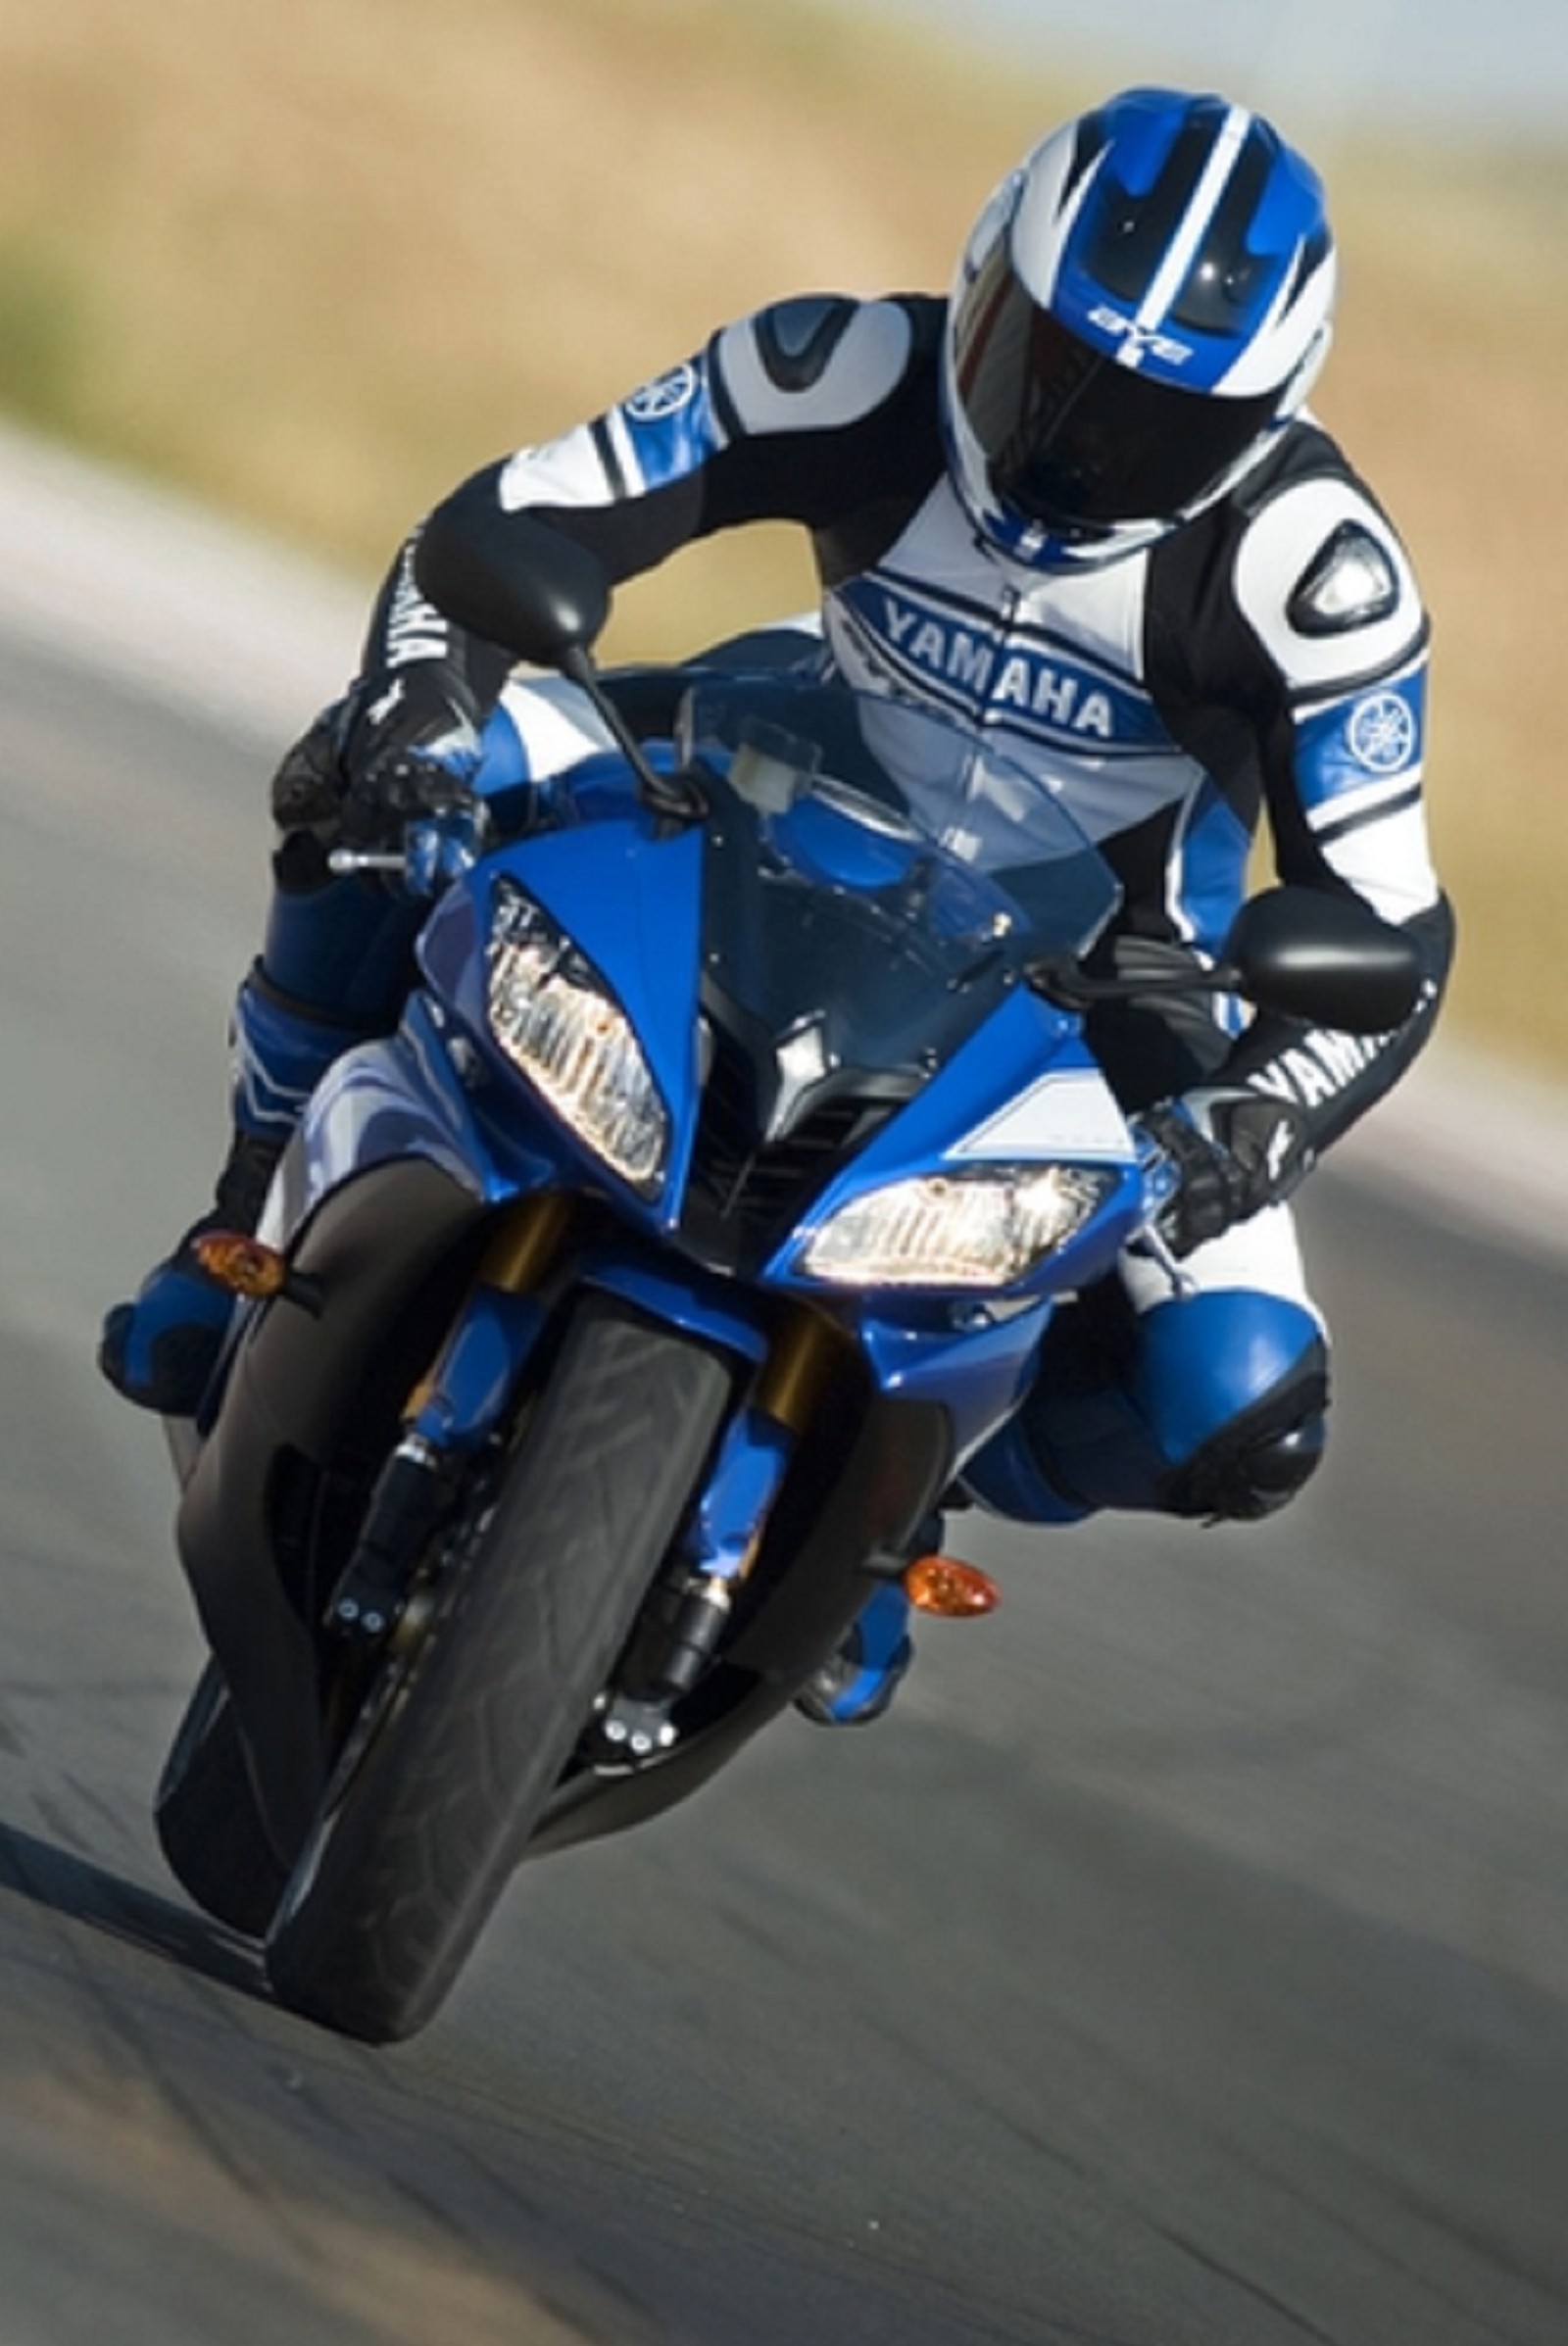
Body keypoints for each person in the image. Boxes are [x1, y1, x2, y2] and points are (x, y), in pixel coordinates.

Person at [101, 86, 1452, 1723]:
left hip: (1109, 962)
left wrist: (1258, 1117)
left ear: (1265, 413)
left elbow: (1389, 924)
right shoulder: (842, 366)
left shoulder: (1321, 580)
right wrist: (417, 705)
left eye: (1152, 421)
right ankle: (240, 1206)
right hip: (762, 773)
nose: (1074, 439)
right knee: (358, 786)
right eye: (1046, 360)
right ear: (981, 281)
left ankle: (892, 1507)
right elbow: (507, 520)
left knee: (1235, 1406)